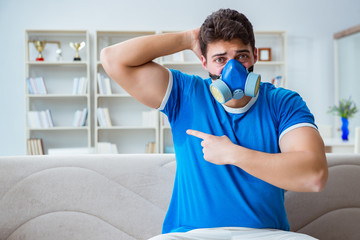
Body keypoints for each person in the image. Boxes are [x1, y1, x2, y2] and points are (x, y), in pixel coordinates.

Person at [101, 8, 328, 240]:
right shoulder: (184, 94)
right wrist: (188, 38)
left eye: (241, 56)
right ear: (204, 62)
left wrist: (233, 154)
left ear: (255, 56)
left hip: (266, 234)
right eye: (220, 59)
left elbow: (314, 175)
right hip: (191, 235)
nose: (233, 69)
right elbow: (112, 59)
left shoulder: (283, 102)